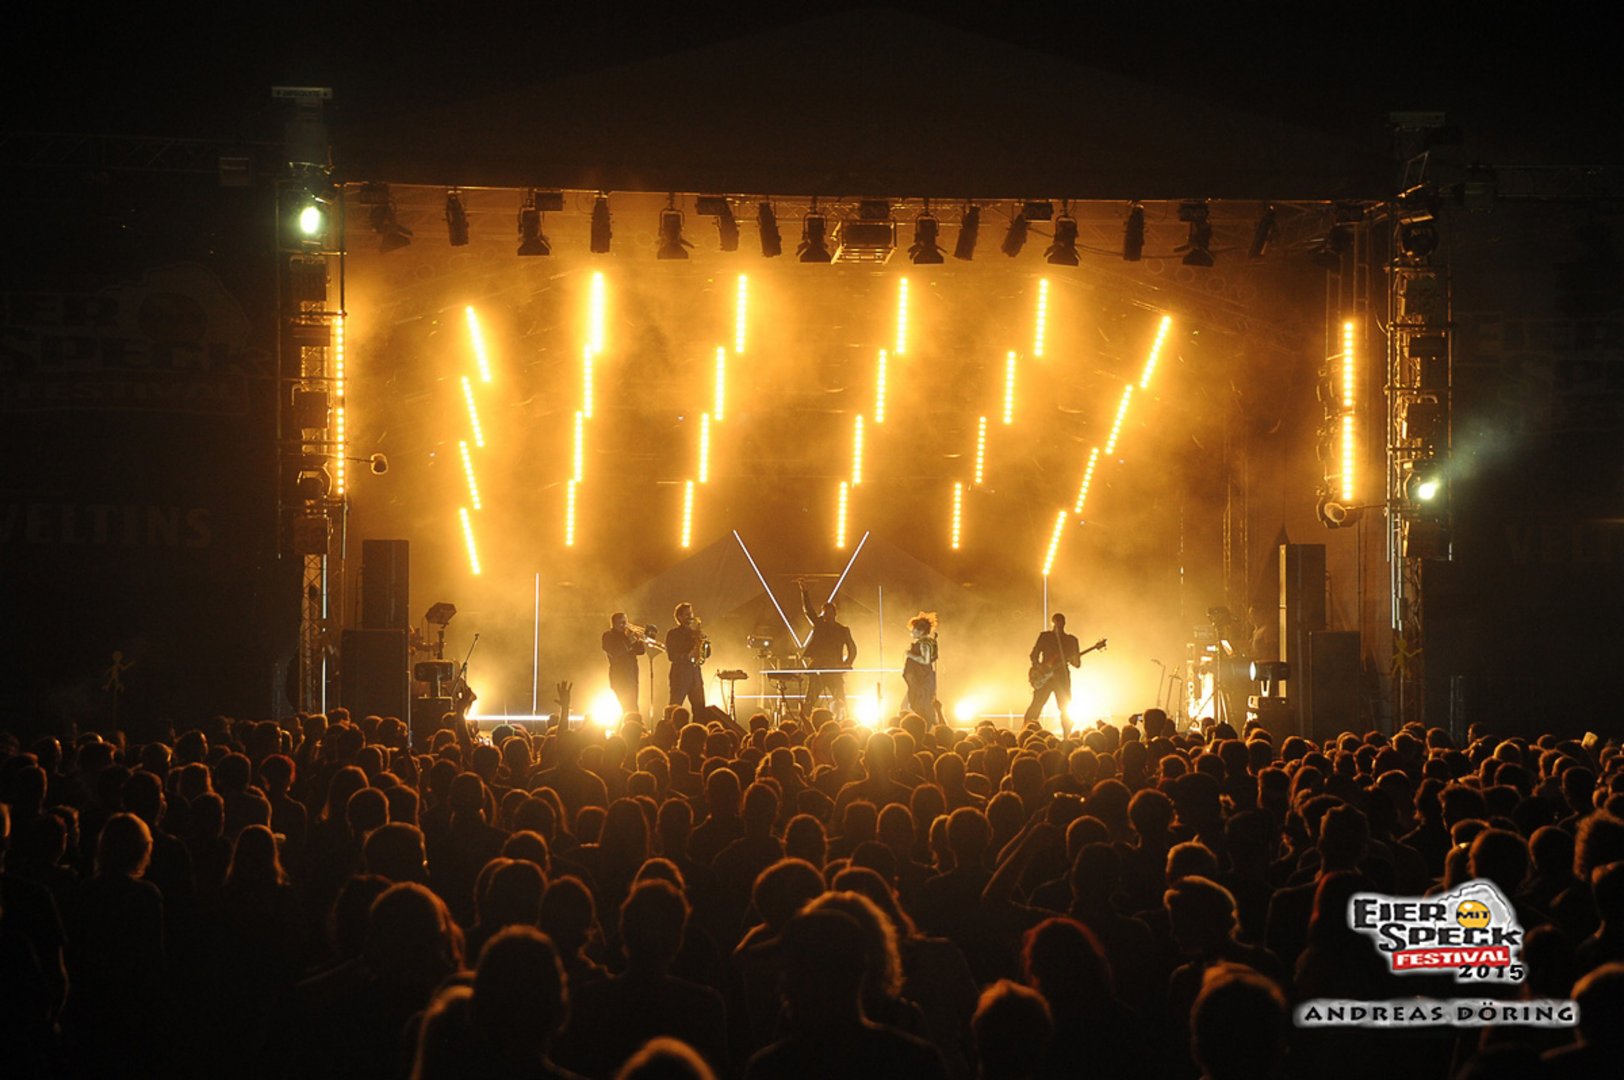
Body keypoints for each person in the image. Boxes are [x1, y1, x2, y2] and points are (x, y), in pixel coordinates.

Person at [798, 579, 857, 717]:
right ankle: (805, 721)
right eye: (824, 613)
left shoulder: (842, 630)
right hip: (819, 668)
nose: (826, 615)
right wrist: (804, 592)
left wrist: (847, 663)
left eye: (829, 613)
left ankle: (844, 722)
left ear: (834, 614)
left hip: (834, 669)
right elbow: (809, 611)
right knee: (810, 700)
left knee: (840, 700)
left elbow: (852, 649)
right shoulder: (819, 625)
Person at [1024, 614, 1082, 734]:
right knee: (1036, 706)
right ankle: (1026, 732)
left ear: (1064, 623)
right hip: (1045, 677)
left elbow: (1077, 664)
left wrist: (1073, 660)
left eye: (1060, 622)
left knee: (1065, 708)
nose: (1058, 625)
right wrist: (1039, 668)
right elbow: (1034, 655)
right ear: (1052, 623)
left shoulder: (1071, 640)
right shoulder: (1045, 637)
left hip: (1062, 678)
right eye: (1056, 622)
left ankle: (1067, 736)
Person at [603, 613, 649, 717]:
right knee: (628, 707)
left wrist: (637, 640)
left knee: (633, 707)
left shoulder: (628, 635)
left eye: (625, 622)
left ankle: (632, 724)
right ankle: (630, 725)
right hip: (619, 677)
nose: (625, 625)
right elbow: (615, 652)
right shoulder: (608, 636)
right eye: (621, 623)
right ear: (614, 624)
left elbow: (641, 651)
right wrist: (629, 641)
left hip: (632, 676)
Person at [666, 603, 707, 713]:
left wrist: (703, 644)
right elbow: (671, 656)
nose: (690, 617)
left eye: (691, 613)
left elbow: (706, 654)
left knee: (700, 709)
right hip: (680, 674)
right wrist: (687, 656)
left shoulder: (695, 633)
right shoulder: (673, 634)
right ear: (679, 617)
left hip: (695, 673)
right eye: (687, 614)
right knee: (674, 707)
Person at [902, 613, 938, 720]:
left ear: (921, 631)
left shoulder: (924, 644)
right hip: (919, 680)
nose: (912, 632)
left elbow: (925, 660)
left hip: (921, 681)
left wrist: (910, 655)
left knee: (917, 707)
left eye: (914, 630)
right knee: (909, 706)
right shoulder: (924, 642)